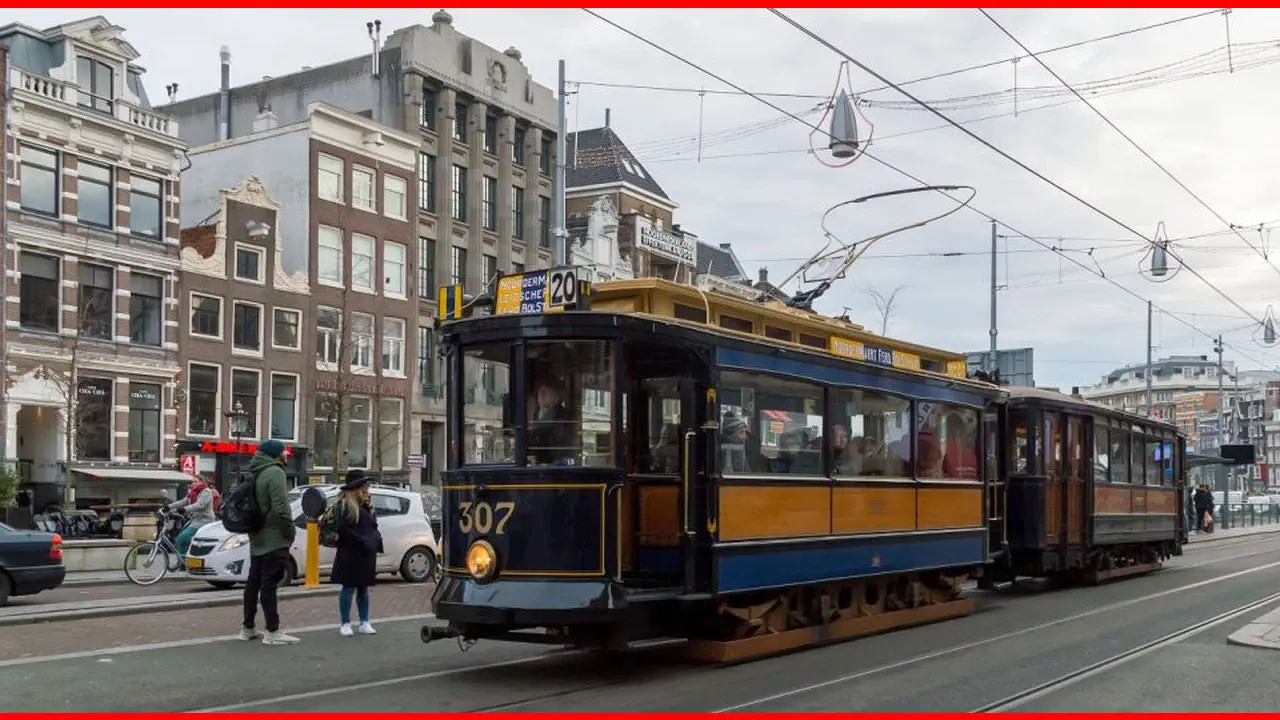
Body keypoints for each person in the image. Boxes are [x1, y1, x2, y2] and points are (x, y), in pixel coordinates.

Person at [240, 439, 300, 645]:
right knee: (269, 584)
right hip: (274, 537)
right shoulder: (275, 473)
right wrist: (289, 532)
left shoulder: (255, 471)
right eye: (284, 452)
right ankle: (272, 631)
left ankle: (247, 627)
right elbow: (281, 507)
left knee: (253, 582)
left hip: (256, 536)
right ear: (277, 454)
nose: (287, 455)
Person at [332, 469, 382, 637]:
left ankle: (364, 621)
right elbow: (343, 528)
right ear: (357, 487)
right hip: (350, 552)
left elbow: (374, 526)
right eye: (364, 484)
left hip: (366, 552)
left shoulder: (368, 504)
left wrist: (374, 539)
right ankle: (345, 623)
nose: (367, 487)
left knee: (363, 588)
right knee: (348, 587)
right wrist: (361, 540)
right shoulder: (345, 505)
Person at [167, 476, 217, 557]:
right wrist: (168, 507)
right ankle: (185, 560)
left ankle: (185, 561)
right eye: (192, 482)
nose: (193, 484)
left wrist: (183, 509)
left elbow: (199, 505)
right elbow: (182, 502)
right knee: (180, 540)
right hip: (194, 521)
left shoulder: (206, 492)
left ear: (202, 482)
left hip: (204, 521)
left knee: (181, 539)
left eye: (196, 481)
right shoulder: (192, 492)